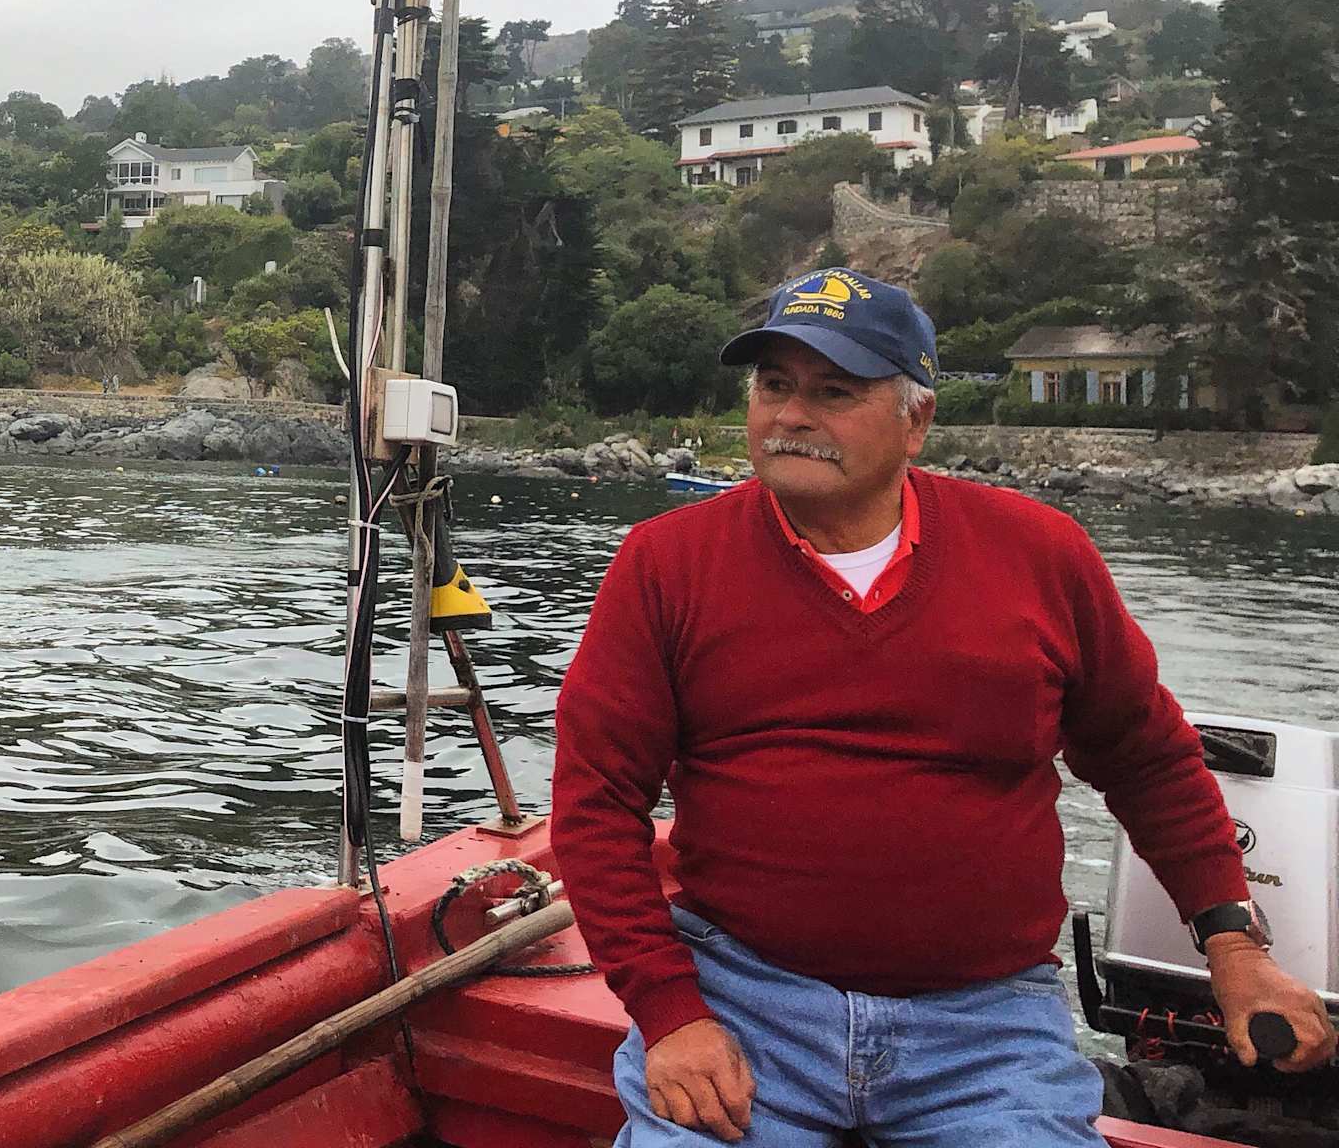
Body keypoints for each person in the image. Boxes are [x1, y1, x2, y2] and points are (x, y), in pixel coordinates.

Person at [551, 267, 1333, 1146]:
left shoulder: (1039, 554)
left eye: (833, 391)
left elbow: (1145, 757)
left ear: (916, 421)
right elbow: (596, 804)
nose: (790, 417)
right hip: (742, 999)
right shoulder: (667, 563)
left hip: (985, 1029)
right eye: (774, 386)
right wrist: (669, 1011)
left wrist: (1234, 949)